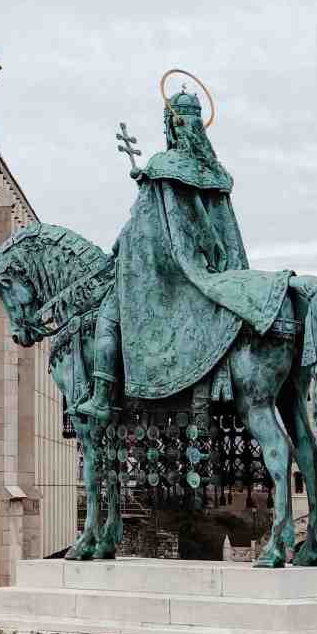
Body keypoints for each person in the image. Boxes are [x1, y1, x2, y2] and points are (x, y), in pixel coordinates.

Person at [77, 87, 288, 423]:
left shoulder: (161, 166)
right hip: (215, 269)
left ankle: (101, 398)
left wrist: (119, 246)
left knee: (109, 316)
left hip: (168, 273)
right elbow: (223, 231)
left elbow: (141, 230)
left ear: (171, 125)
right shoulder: (216, 173)